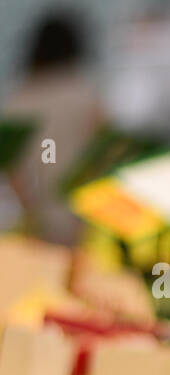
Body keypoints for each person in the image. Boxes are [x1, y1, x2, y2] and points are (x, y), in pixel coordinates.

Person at [4, 12, 104, 242]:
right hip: (79, 215)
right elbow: (101, 156)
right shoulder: (85, 95)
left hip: (36, 219)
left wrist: (31, 211)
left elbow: (12, 171)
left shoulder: (16, 101)